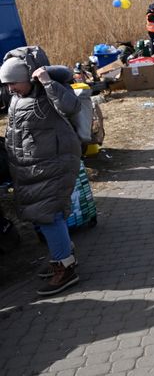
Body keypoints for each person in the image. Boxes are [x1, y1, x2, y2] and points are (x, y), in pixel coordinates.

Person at [2, 52, 82, 296]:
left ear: (28, 78)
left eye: (14, 83)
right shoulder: (18, 96)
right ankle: (63, 255)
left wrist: (48, 82)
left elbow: (72, 106)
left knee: (48, 214)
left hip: (51, 164)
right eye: (6, 85)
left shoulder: (49, 91)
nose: (10, 88)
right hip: (30, 165)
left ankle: (65, 267)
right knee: (41, 215)